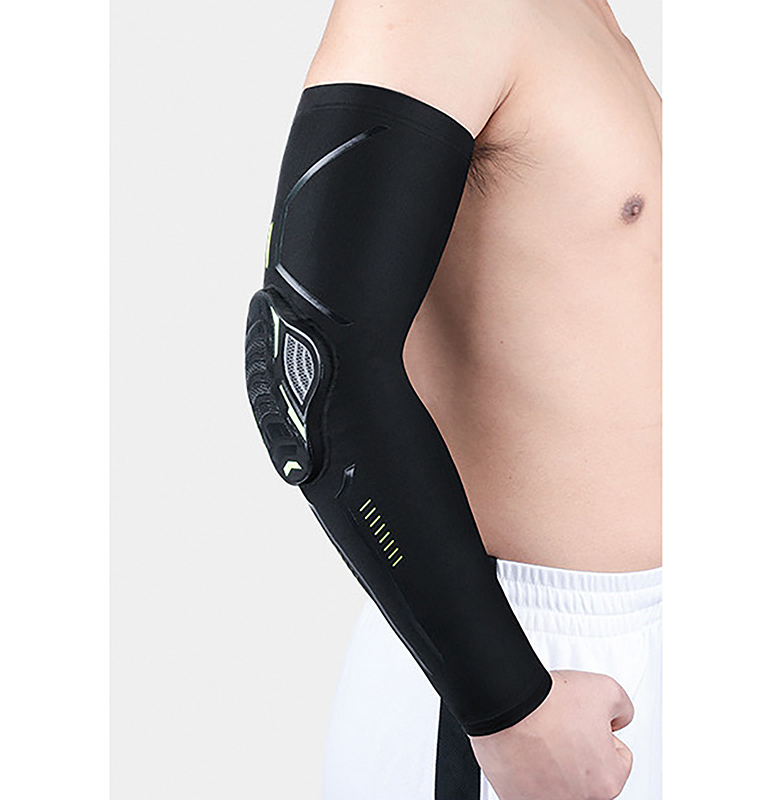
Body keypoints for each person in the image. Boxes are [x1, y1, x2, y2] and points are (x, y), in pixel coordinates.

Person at [248, 0, 661, 798]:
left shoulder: (593, 20)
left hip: (651, 643)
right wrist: (507, 706)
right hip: (522, 665)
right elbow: (313, 360)